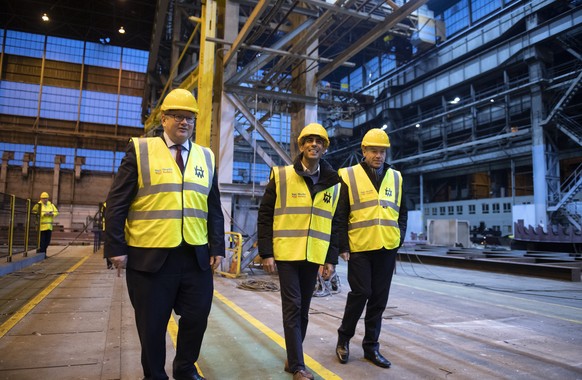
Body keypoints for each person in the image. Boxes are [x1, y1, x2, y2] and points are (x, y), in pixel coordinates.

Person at [104, 88, 225, 380]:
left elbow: (214, 207)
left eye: (190, 118)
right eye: (178, 116)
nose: (184, 122)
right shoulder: (141, 150)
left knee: (197, 317)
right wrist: (115, 247)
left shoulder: (205, 157)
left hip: (194, 257)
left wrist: (217, 247)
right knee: (152, 325)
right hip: (150, 258)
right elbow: (117, 202)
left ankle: (184, 368)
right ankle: (154, 375)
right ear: (164, 118)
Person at [258, 123, 347, 380]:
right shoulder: (282, 175)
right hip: (286, 254)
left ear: (324, 147)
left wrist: (330, 259)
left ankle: (293, 356)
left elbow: (334, 223)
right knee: (293, 306)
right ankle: (298, 365)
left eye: (319, 141)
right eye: (309, 140)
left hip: (314, 255)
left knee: (304, 310)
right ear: (301, 145)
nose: (314, 144)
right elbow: (265, 215)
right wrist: (267, 252)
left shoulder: (334, 183)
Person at [335, 128, 407, 369]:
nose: (378, 155)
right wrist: (342, 246)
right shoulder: (347, 175)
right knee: (361, 293)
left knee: (379, 299)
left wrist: (399, 239)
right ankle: (343, 339)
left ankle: (371, 347)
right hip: (360, 246)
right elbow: (340, 214)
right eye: (374, 151)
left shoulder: (396, 177)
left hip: (387, 246)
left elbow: (402, 212)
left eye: (382, 151)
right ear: (363, 151)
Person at [32, 191, 59, 256]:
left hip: (49, 227)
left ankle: (42, 253)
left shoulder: (51, 205)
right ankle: (42, 254)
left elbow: (56, 212)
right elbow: (34, 212)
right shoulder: (38, 205)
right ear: (41, 199)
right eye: (44, 198)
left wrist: (52, 214)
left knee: (47, 242)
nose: (45, 199)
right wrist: (43, 214)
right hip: (41, 227)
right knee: (42, 242)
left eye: (46, 198)